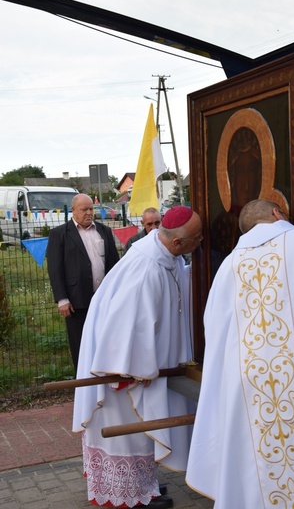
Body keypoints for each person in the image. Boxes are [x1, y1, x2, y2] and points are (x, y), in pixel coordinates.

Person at [186, 199, 294, 509]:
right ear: (278, 213)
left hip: (251, 387)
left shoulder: (229, 267)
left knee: (253, 470)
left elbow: (215, 331)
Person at [73, 206, 203, 509]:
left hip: (141, 366)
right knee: (126, 435)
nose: (201, 242)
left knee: (141, 434)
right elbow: (124, 324)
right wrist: (127, 370)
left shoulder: (166, 256)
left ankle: (144, 487)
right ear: (177, 242)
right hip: (123, 371)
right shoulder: (146, 269)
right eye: (197, 239)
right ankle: (127, 499)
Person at [46, 193, 119, 373]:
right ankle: (83, 384)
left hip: (103, 300)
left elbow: (114, 264)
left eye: (91, 209)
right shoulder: (60, 234)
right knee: (80, 345)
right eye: (84, 209)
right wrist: (62, 299)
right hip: (76, 300)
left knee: (105, 342)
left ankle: (103, 381)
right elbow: (55, 268)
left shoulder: (104, 231)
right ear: (73, 211)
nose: (88, 213)